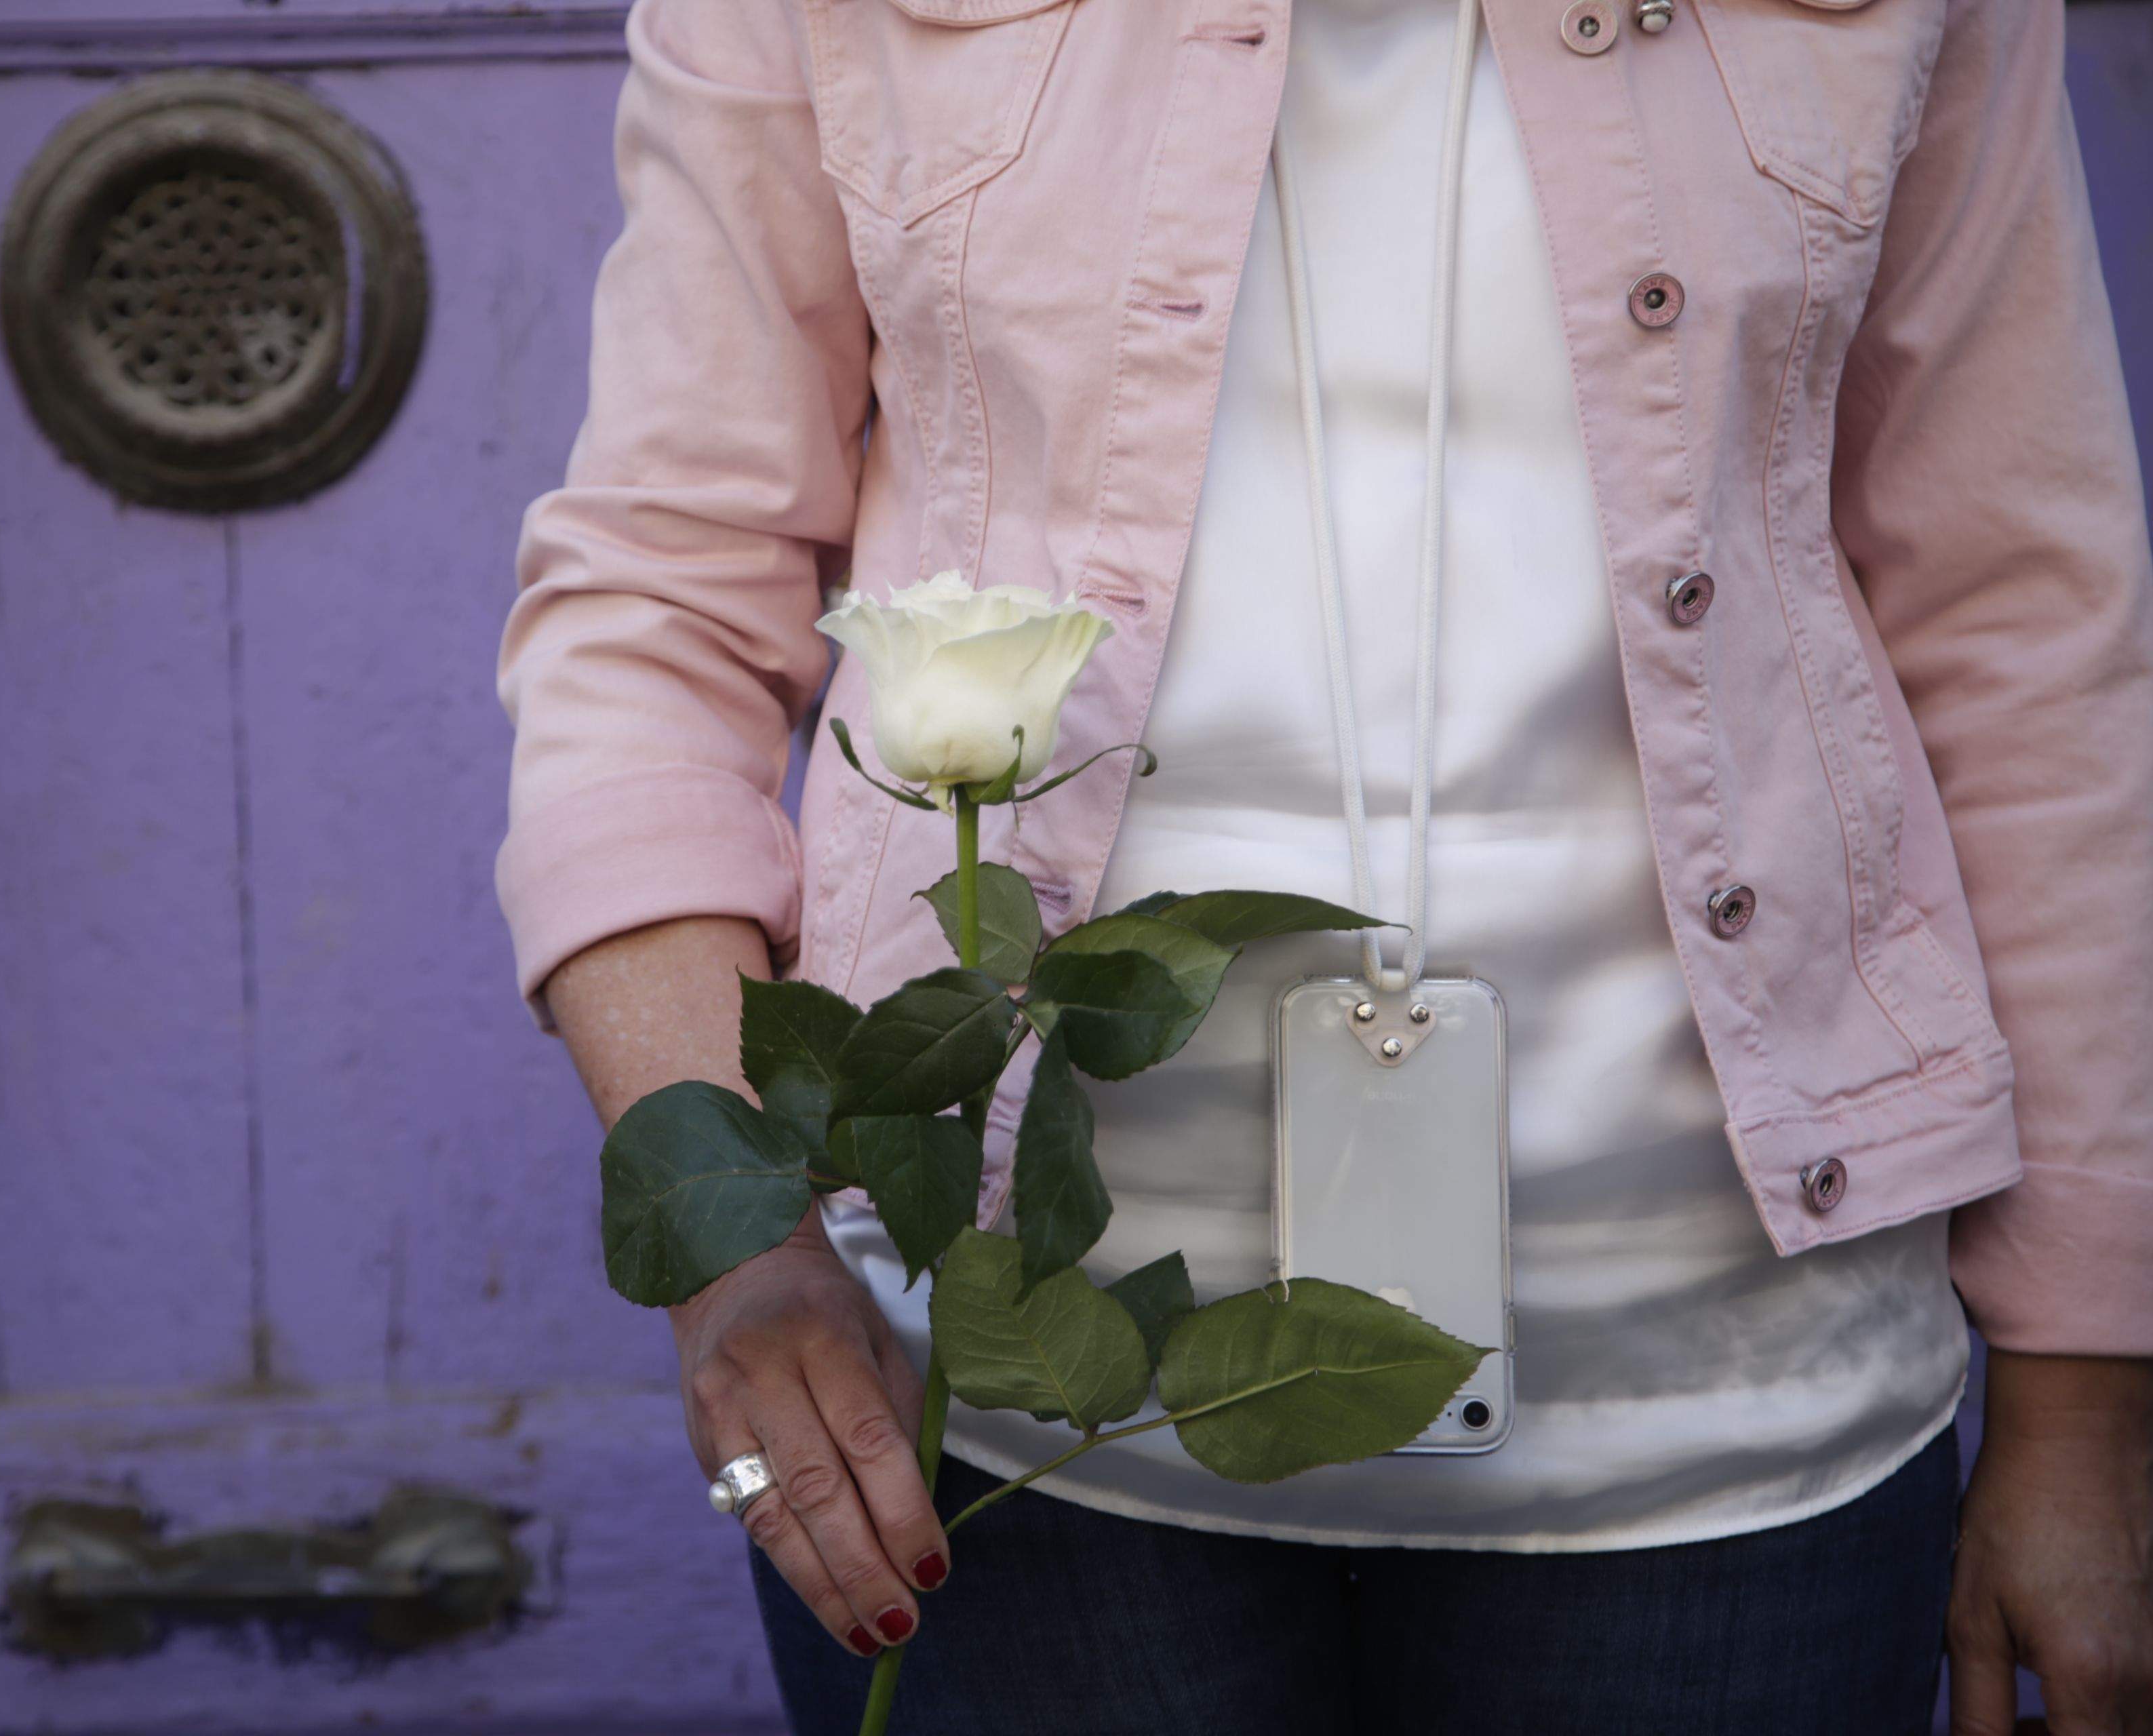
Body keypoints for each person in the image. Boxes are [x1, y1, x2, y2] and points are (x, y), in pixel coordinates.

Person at [496, 0, 2153, 1730]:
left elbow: (2026, 620)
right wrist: (737, 1243)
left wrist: (2091, 1386)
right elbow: (655, 600)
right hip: (1004, 1406)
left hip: (1723, 1402)